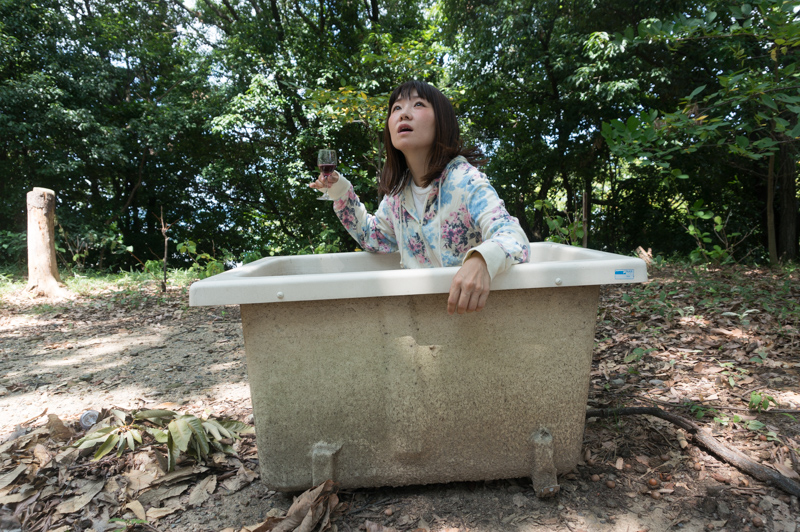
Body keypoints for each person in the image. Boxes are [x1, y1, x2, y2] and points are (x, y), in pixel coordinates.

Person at [309, 80, 530, 315]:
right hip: (421, 319)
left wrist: (480, 260)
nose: (404, 114)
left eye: (418, 104)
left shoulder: (465, 180)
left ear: (442, 121)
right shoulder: (397, 195)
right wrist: (339, 190)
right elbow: (372, 237)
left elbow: (512, 235)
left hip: (474, 317)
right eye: (396, 108)